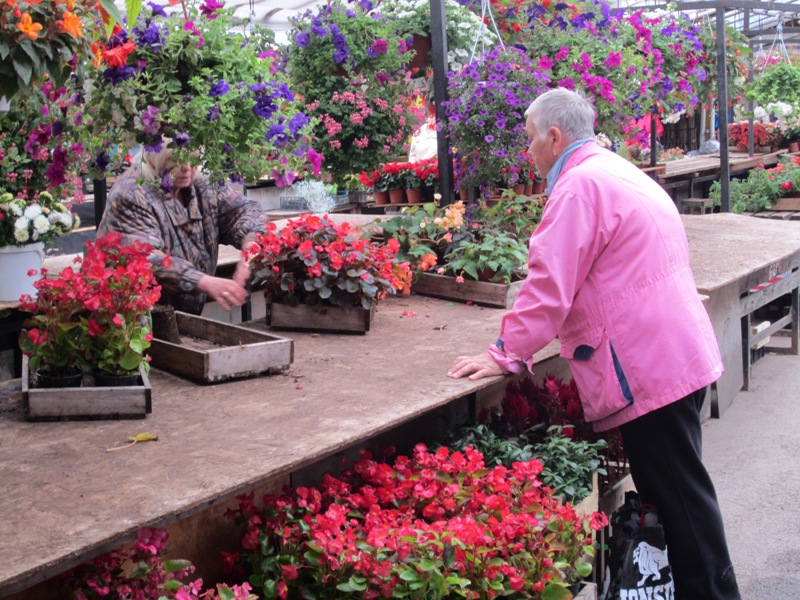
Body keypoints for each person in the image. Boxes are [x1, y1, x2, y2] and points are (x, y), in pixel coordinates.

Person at [447, 88, 741, 599]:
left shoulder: (579, 188)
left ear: (554, 136)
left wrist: (504, 352)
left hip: (649, 368)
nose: (529, 151)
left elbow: (547, 288)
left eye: (530, 139)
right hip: (674, 354)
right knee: (679, 497)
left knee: (681, 505)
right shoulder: (616, 170)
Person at [97, 146, 268, 315]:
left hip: (184, 318)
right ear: (154, 157)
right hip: (136, 320)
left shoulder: (201, 182)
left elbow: (245, 211)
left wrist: (250, 249)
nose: (186, 167)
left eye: (192, 158)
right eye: (176, 160)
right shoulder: (131, 193)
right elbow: (144, 256)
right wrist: (201, 280)